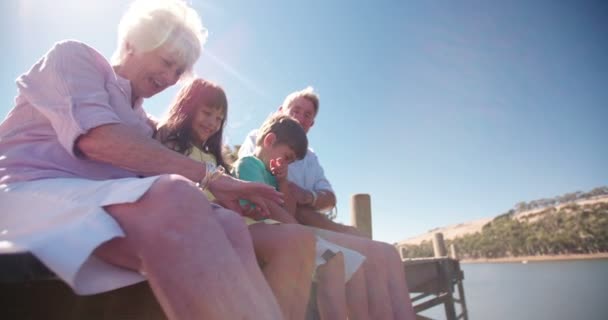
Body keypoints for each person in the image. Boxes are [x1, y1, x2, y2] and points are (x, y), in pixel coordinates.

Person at [0, 1, 285, 319]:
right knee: (175, 194)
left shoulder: (143, 122)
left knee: (229, 224)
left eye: (178, 71)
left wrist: (223, 199)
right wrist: (212, 177)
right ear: (132, 43)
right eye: (166, 61)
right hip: (22, 194)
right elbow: (98, 139)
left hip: (90, 208)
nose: (169, 76)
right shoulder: (75, 58)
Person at [155, 79, 364, 320]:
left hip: (232, 220)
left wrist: (283, 184)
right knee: (298, 240)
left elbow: (282, 204)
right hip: (220, 223)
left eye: (219, 118)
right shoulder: (179, 146)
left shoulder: (214, 156)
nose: (212, 123)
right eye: (207, 113)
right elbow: (262, 205)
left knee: (306, 247)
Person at [239, 87, 416, 319]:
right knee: (359, 255)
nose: (301, 118)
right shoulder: (259, 141)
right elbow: (258, 194)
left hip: (297, 225)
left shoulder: (308, 157)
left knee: (382, 254)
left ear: (312, 123)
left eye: (308, 115)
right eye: (296, 110)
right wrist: (301, 208)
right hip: (288, 228)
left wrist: (305, 195)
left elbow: (328, 198)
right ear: (281, 111)